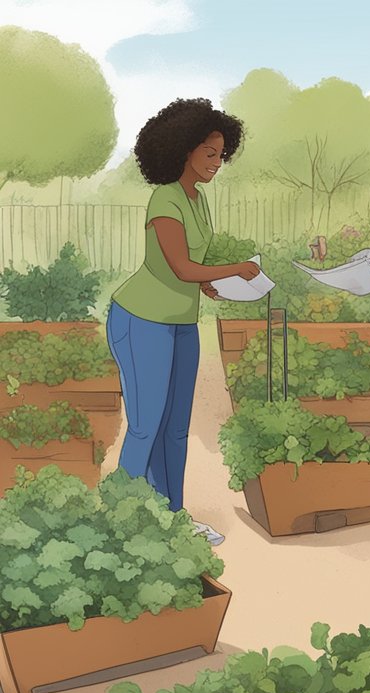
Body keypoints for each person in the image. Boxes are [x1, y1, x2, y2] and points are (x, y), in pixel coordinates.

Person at [107, 98, 256, 547]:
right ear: (183, 150)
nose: (216, 162)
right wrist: (232, 270)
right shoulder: (165, 198)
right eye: (209, 153)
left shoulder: (198, 199)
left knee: (175, 427)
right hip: (141, 320)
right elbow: (179, 267)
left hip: (180, 322)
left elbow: (192, 268)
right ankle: (122, 525)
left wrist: (210, 286)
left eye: (221, 155)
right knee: (146, 424)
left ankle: (171, 517)